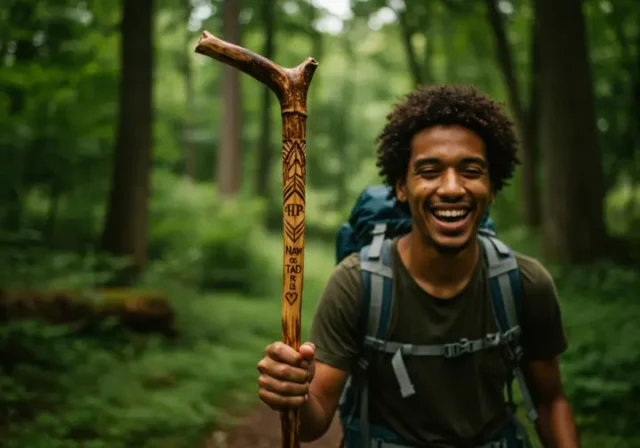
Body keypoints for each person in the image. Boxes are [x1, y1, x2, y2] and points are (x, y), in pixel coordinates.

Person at [256, 85, 580, 447]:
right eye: (429, 171)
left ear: (491, 187)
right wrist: (293, 395)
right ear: (402, 187)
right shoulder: (357, 284)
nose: (452, 188)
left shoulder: (524, 283)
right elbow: (314, 425)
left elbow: (551, 401)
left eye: (471, 170)